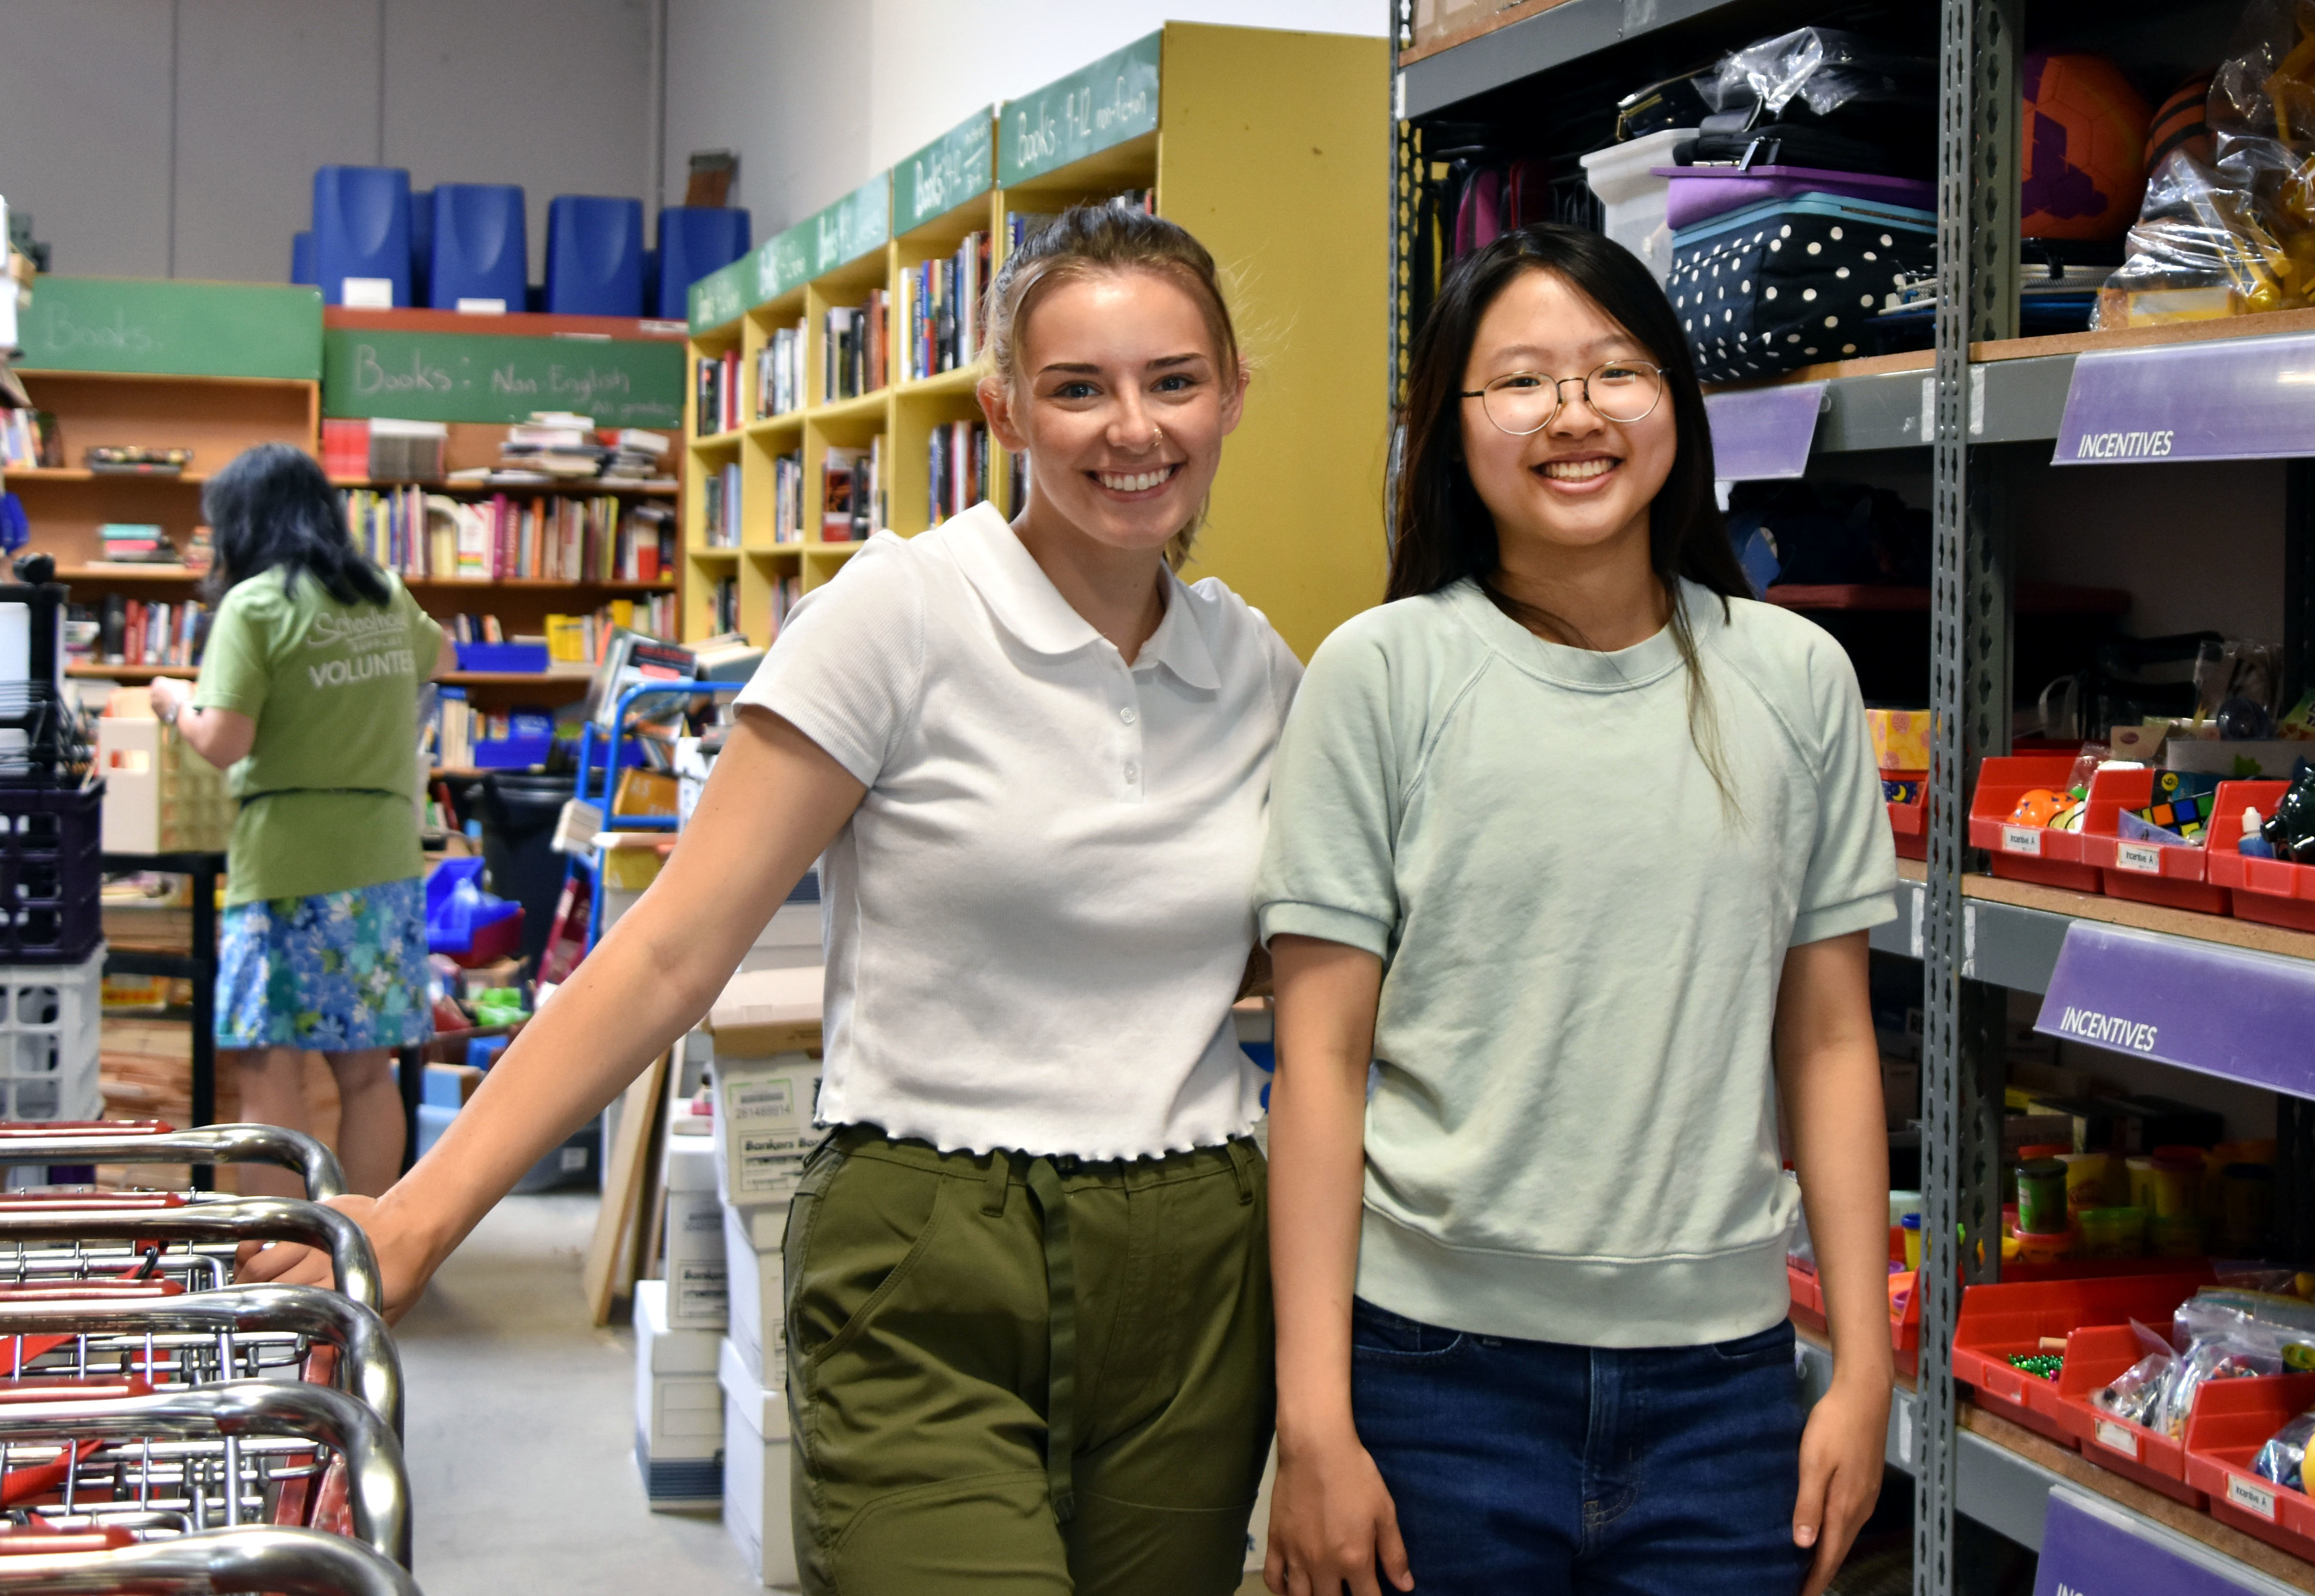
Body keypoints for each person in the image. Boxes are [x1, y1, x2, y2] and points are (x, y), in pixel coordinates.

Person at [247, 205, 1300, 1595]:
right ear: (1002, 407)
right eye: (1078, 387)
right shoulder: (901, 616)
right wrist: (419, 1218)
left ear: (1229, 395)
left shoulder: (1258, 669)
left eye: (1173, 382)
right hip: (934, 1248)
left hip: (1196, 1265)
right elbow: (673, 951)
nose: (1134, 428)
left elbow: (1298, 981)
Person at [1254, 223, 1898, 1596]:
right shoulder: (1382, 675)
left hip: (1724, 1398)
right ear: (1453, 427)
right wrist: (1313, 1423)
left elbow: (1833, 1042)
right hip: (1432, 1382)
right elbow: (1319, 1065)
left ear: (1676, 400)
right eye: (1523, 382)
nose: (1575, 415)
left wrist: (1860, 1369)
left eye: (1616, 370)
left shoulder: (1796, 678)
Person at [151, 443, 453, 1199]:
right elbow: (439, 656)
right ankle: (360, 1256)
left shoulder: (255, 605)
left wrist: (171, 705)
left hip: (286, 864)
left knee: (267, 1069)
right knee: (367, 1075)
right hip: (382, 862)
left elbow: (224, 742)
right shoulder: (382, 590)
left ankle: (276, 1260)